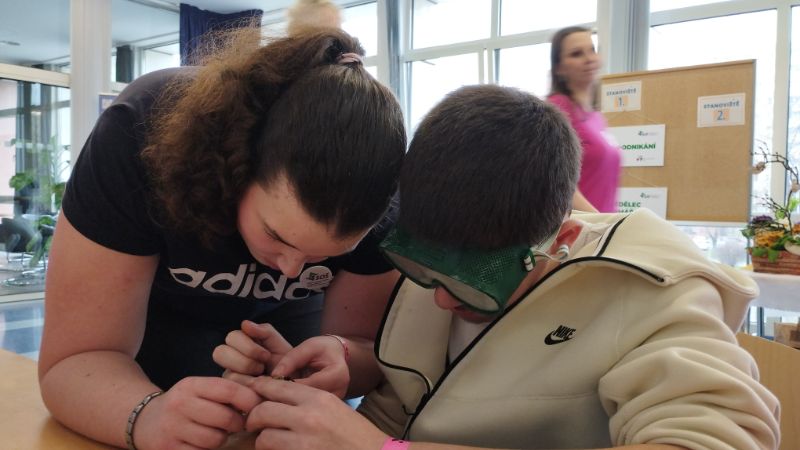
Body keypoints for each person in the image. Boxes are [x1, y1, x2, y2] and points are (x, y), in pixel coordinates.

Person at [216, 84, 780, 450]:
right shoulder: (441, 240)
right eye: (426, 271)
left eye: (473, 282)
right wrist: (345, 362)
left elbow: (716, 439)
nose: (440, 299)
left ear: (563, 240)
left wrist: (379, 449)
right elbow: (414, 387)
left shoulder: (656, 293)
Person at [38, 28, 406, 450]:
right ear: (237, 165)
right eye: (277, 236)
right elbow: (74, 361)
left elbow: (369, 351)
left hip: (289, 334)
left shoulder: (382, 191)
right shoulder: (140, 134)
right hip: (145, 328)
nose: (291, 271)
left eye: (324, 257)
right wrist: (146, 414)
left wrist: (342, 357)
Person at [548, 26, 621, 213]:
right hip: (582, 225)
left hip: (601, 223)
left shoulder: (596, 117)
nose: (589, 59)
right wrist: (602, 223)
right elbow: (559, 183)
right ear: (559, 68)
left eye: (592, 50)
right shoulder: (557, 109)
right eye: (576, 54)